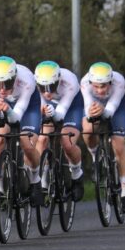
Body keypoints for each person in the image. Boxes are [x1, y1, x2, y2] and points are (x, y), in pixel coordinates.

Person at [0, 56, 44, 207]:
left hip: (28, 106)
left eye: (7, 83)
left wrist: (8, 110)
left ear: (15, 78)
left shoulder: (27, 81)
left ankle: (36, 181)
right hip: (5, 106)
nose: (2, 89)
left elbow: (17, 116)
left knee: (28, 145)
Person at [80, 62, 125, 213]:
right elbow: (88, 109)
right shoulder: (84, 82)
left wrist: (104, 110)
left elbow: (111, 110)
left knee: (119, 146)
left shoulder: (119, 81)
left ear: (110, 82)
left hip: (116, 107)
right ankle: (96, 158)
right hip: (94, 105)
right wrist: (93, 113)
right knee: (88, 130)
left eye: (103, 86)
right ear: (90, 83)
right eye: (96, 86)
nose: (100, 90)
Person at [32, 60, 85, 201]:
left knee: (67, 143)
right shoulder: (33, 84)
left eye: (52, 86)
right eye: (43, 87)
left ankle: (77, 174)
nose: (47, 92)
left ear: (58, 80)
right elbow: (40, 103)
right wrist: (43, 110)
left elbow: (60, 114)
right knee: (42, 139)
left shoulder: (70, 82)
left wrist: (50, 112)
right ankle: (43, 183)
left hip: (72, 107)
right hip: (49, 107)